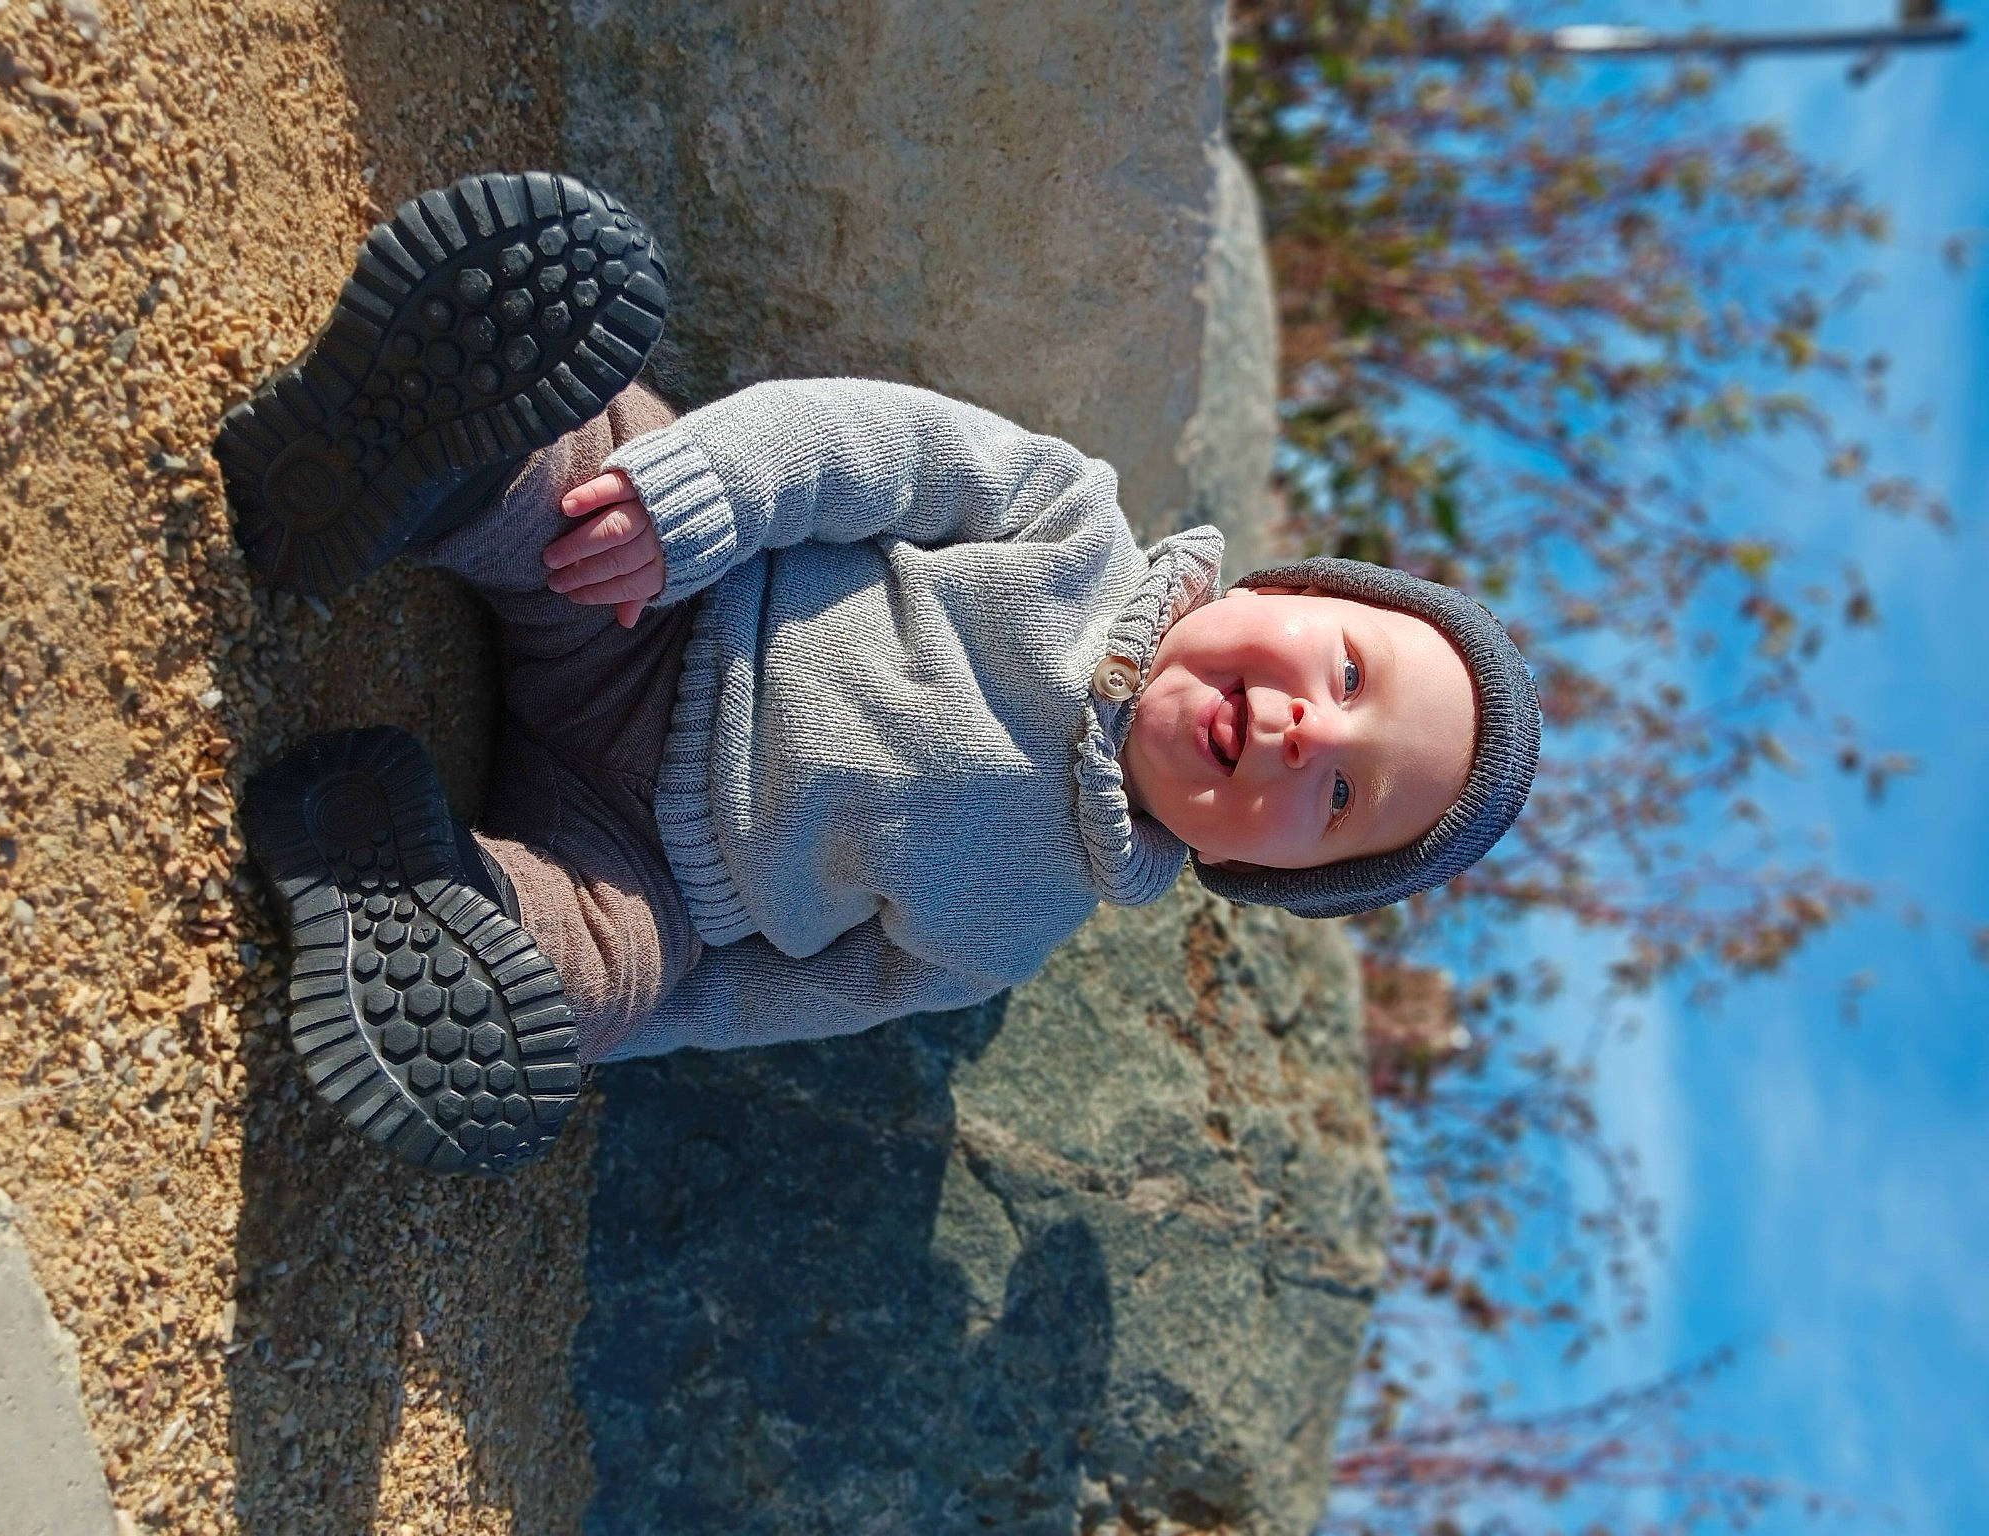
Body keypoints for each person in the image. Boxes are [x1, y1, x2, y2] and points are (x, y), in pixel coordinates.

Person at [221, 172, 1542, 1178]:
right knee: (583, 466)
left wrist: (609, 1022)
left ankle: (411, 889)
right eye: (1351, 671)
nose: (1313, 734)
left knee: (598, 970)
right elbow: (866, 442)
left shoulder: (1017, 926)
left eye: (1340, 801)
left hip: (641, 864)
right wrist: (698, 499)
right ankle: (389, 470)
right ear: (1281, 592)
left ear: (1256, 874)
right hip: (667, 608)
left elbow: (777, 998)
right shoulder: (1068, 525)